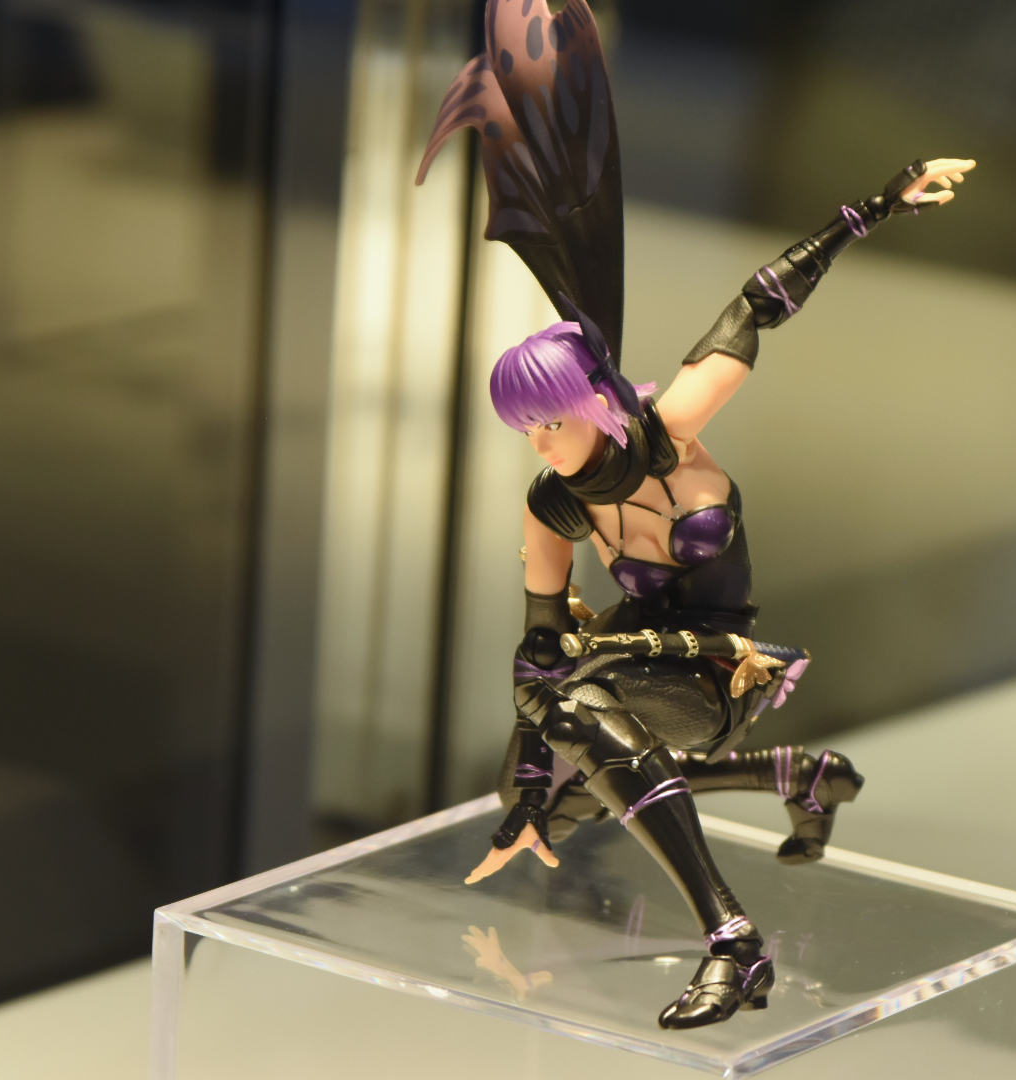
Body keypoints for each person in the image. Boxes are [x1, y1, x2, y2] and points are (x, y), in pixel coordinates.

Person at [417, 0, 973, 1030]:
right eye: (525, 428)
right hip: (630, 673)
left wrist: (877, 205)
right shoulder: (551, 504)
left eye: (547, 422)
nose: (537, 443)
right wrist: (529, 784)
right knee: (551, 794)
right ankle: (800, 775)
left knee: (585, 719)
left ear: (591, 402)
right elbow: (538, 657)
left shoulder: (670, 432)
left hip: (719, 671)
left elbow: (760, 303)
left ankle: (734, 940)